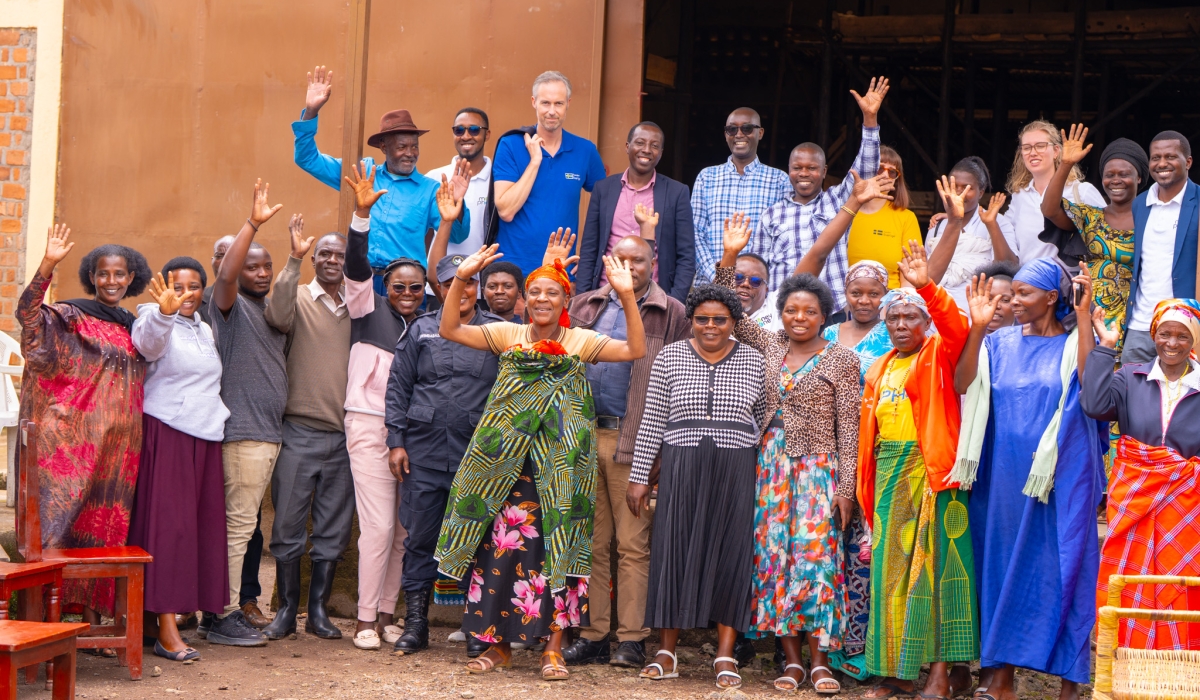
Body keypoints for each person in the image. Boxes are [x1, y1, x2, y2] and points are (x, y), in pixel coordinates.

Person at [433, 245, 645, 681]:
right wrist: (462, 278)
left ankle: (553, 649)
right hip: (504, 468)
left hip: (561, 469)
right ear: (524, 299)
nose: (543, 299)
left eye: (552, 292)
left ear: (567, 300)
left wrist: (626, 295)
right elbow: (450, 328)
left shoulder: (580, 340)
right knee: (501, 550)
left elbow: (635, 349)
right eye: (535, 292)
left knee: (557, 551)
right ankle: (497, 646)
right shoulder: (507, 334)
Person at [716, 218, 861, 693]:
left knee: (816, 560)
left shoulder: (842, 359)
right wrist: (729, 258)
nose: (799, 317)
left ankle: (820, 661)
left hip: (819, 468)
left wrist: (846, 489)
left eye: (809, 311)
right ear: (780, 314)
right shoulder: (769, 345)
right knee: (774, 558)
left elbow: (850, 429)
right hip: (770, 465)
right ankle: (792, 662)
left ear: (824, 316)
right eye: (791, 310)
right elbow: (728, 310)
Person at [954, 258, 1105, 700]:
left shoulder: (1076, 342)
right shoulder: (997, 343)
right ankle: (1000, 678)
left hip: (1059, 478)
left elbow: (1090, 388)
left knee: (1062, 569)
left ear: (1052, 297)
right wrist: (977, 329)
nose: (1012, 302)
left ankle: (1069, 682)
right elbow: (963, 384)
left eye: (1023, 293)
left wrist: (1083, 316)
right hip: (1001, 478)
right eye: (1011, 294)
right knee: (1000, 567)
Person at [560, 234, 691, 669]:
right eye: (622, 259)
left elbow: (682, 380)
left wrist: (660, 451)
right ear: (607, 262)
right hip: (581, 437)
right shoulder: (585, 305)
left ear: (653, 264)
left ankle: (632, 639)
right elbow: (541, 337)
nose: (629, 267)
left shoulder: (671, 312)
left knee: (633, 545)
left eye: (638, 260)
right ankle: (595, 635)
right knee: (592, 544)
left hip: (633, 441)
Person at [627, 284, 765, 691]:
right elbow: (652, 418)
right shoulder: (670, 356)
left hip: (735, 467)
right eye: (702, 319)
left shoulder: (754, 360)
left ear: (734, 322)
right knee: (673, 549)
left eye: (720, 319)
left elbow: (762, 417)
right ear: (691, 320)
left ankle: (725, 655)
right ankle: (666, 653)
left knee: (731, 554)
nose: (710, 326)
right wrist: (639, 476)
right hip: (682, 464)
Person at [854, 243, 976, 699]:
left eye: (911, 317)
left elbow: (956, 326)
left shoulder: (939, 354)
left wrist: (926, 286)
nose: (901, 325)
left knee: (939, 571)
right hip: (889, 472)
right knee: (891, 574)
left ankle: (943, 674)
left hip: (933, 473)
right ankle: (897, 672)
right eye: (894, 318)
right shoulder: (880, 367)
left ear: (926, 324)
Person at [18, 224, 151, 638]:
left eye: (119, 274)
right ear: (91, 277)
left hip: (119, 451)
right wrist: (47, 265)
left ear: (131, 278)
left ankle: (90, 625)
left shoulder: (133, 325)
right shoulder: (70, 316)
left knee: (104, 533)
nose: (111, 281)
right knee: (56, 529)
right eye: (103, 273)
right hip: (70, 446)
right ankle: (41, 628)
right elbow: (28, 317)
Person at [384, 214, 505, 659]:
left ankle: (476, 627)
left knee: (478, 537)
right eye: (454, 282)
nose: (463, 289)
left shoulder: (495, 333)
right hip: (425, 452)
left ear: (478, 287)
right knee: (419, 537)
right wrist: (396, 442)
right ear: (441, 287)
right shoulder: (420, 330)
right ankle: (416, 625)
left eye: (469, 281)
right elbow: (398, 388)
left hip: (478, 456)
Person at [342, 162, 449, 650]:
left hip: (412, 435)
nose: (407, 294)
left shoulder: (429, 324)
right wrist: (361, 217)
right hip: (369, 427)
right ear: (386, 287)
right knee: (379, 526)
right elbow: (355, 266)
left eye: (415, 288)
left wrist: (447, 223)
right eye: (399, 287)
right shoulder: (366, 310)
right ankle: (365, 619)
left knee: (406, 531)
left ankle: (388, 612)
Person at [1082, 297, 1200, 650]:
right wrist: (1105, 348)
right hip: (1133, 496)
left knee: (1181, 580)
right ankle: (1126, 660)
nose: (1172, 343)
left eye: (1182, 336)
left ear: (1194, 340)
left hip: (1187, 503)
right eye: (1165, 334)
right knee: (1127, 577)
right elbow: (1094, 404)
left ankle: (1179, 664)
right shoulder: (1130, 377)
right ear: (1153, 335)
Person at [258, 213, 353, 642]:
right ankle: (286, 609)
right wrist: (293, 260)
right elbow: (277, 316)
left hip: (345, 437)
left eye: (340, 255)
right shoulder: (296, 296)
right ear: (315, 259)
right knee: (288, 524)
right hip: (298, 431)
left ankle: (317, 611)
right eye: (325, 254)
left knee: (333, 527)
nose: (332, 260)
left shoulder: (358, 306)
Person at [292, 66, 469, 293]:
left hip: (405, 287)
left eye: (415, 147)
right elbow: (307, 159)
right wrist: (311, 112)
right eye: (402, 147)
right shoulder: (363, 173)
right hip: (361, 282)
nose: (410, 153)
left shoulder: (431, 190)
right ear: (384, 147)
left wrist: (457, 204)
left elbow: (458, 235)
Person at [129, 261, 229, 662]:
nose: (186, 293)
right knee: (169, 531)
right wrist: (164, 313)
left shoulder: (204, 328)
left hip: (205, 435)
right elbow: (148, 346)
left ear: (204, 290)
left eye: (194, 286)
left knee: (195, 530)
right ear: (164, 289)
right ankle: (166, 630)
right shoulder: (152, 318)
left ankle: (156, 620)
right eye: (178, 286)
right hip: (168, 432)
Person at [202, 179, 287, 647]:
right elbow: (227, 278)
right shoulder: (226, 307)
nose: (260, 272)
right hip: (244, 433)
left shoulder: (269, 310)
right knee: (237, 527)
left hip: (267, 433)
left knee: (244, 526)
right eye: (250, 264)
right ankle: (223, 613)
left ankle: (219, 610)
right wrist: (252, 224)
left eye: (266, 265)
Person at [747, 77, 887, 313]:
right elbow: (759, 269)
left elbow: (865, 169)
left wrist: (870, 119)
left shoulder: (837, 200)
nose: (804, 173)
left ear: (823, 172)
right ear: (788, 170)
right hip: (784, 311)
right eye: (797, 168)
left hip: (830, 309)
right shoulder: (772, 214)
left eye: (811, 168)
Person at [492, 71, 607, 277]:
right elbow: (506, 211)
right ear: (534, 102)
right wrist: (535, 162)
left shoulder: (585, 150)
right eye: (545, 103)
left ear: (568, 104)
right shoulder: (511, 145)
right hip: (511, 271)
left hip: (560, 269)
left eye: (558, 104)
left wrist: (593, 256)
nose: (552, 111)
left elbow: (607, 205)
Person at [1042, 126, 1146, 352]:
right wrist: (1065, 164)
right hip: (1088, 315)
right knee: (1086, 370)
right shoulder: (1089, 216)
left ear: (1139, 177)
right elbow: (1049, 210)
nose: (1115, 180)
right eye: (1109, 175)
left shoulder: (1150, 220)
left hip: (1134, 319)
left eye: (1124, 174)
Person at [577, 121, 695, 303]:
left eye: (654, 146)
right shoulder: (603, 189)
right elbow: (589, 249)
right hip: (605, 294)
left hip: (655, 299)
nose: (646, 150)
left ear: (661, 152)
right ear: (627, 146)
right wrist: (583, 298)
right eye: (640, 143)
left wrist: (673, 302)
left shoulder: (676, 193)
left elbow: (686, 256)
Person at [1116, 131, 1197, 365]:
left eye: (1170, 157)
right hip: (1141, 323)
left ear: (1188, 162)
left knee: (1185, 388)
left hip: (1185, 324)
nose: (1162, 163)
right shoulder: (1140, 203)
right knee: (1132, 384)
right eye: (1155, 158)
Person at [691, 107, 792, 284]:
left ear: (760, 133)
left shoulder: (779, 180)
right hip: (711, 284)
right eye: (732, 129)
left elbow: (783, 239)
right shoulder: (707, 177)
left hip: (757, 287)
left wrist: (757, 280)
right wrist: (719, 276)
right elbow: (695, 233)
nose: (739, 134)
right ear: (725, 134)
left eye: (747, 128)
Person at [1005, 119, 1107, 264]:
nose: (1033, 152)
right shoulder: (1019, 196)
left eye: (1040, 146)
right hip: (1025, 276)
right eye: (1026, 148)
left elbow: (1108, 236)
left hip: (1072, 276)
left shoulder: (1082, 191)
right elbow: (1007, 240)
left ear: (1056, 151)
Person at [926, 159, 1018, 310]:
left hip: (978, 311)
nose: (959, 193)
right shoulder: (937, 226)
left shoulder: (998, 222)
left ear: (980, 192)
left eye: (967, 188)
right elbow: (928, 276)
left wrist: (991, 224)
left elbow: (1008, 268)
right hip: (937, 310)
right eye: (954, 186)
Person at [844, 146, 920, 288]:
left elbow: (908, 278)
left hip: (890, 296)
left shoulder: (906, 217)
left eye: (892, 172)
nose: (885, 175)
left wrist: (903, 299)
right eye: (879, 168)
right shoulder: (844, 211)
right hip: (845, 296)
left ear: (896, 179)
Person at [425, 108, 493, 257]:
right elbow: (424, 233)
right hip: (442, 271)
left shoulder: (497, 180)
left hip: (483, 270)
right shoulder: (434, 178)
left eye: (474, 130)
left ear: (487, 134)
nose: (466, 136)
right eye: (459, 130)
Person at [823, 260, 892, 381]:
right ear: (845, 293)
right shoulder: (829, 334)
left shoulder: (893, 334)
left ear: (885, 295)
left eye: (874, 294)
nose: (864, 301)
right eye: (856, 293)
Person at [734, 252, 780, 331]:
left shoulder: (776, 305)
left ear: (766, 290)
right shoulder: (714, 310)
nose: (745, 284)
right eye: (738, 277)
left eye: (755, 281)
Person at [973, 260, 1020, 334]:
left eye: (1005, 300)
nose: (996, 305)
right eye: (989, 299)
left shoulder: (1029, 337)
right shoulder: (962, 335)